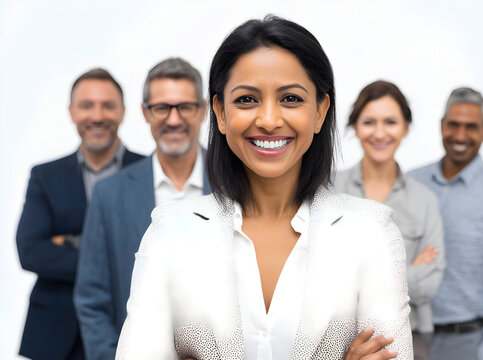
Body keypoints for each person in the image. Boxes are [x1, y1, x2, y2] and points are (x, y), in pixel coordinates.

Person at [116, 16, 412, 360]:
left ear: (320, 111)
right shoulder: (168, 232)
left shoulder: (371, 232)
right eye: (246, 100)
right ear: (220, 112)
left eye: (290, 98)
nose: (269, 120)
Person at [74, 57, 211, 360]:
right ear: (145, 113)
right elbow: (92, 298)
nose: (173, 120)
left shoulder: (238, 184)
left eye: (185, 107)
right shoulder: (109, 194)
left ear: (203, 110)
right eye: (162, 108)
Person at [16, 68, 144, 360]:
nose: (97, 116)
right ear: (72, 112)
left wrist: (72, 242)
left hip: (128, 331)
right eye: (86, 106)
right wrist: (114, 256)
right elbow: (30, 251)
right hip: (54, 336)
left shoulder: (148, 172)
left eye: (107, 105)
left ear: (123, 112)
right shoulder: (45, 176)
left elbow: (156, 250)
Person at [409, 87, 483, 360]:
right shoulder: (410, 183)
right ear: (442, 125)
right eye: (453, 124)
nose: (460, 136)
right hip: (406, 339)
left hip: (464, 345)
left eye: (471, 127)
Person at [334, 80, 444, 360]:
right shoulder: (329, 190)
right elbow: (314, 276)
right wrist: (410, 272)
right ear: (355, 127)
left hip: (410, 339)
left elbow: (428, 287)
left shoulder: (424, 200)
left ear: (405, 128)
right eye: (369, 122)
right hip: (339, 340)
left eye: (391, 122)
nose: (380, 133)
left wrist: (355, 279)